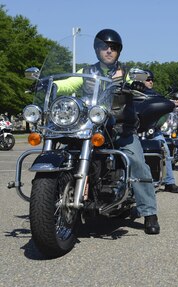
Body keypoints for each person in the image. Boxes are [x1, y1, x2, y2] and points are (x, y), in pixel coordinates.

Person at [54, 29, 160, 234]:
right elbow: (68, 84)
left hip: (120, 128)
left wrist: (136, 84)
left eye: (113, 48)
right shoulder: (87, 72)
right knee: (66, 149)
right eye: (104, 47)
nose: (109, 51)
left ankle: (149, 213)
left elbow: (133, 84)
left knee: (137, 162)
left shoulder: (126, 71)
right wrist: (50, 85)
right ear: (97, 50)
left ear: (118, 51)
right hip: (90, 127)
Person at [137, 70, 178, 193]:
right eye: (147, 79)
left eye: (152, 79)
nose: (151, 81)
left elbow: (166, 107)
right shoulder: (131, 94)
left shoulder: (156, 96)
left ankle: (169, 182)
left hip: (153, 130)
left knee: (165, 151)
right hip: (133, 130)